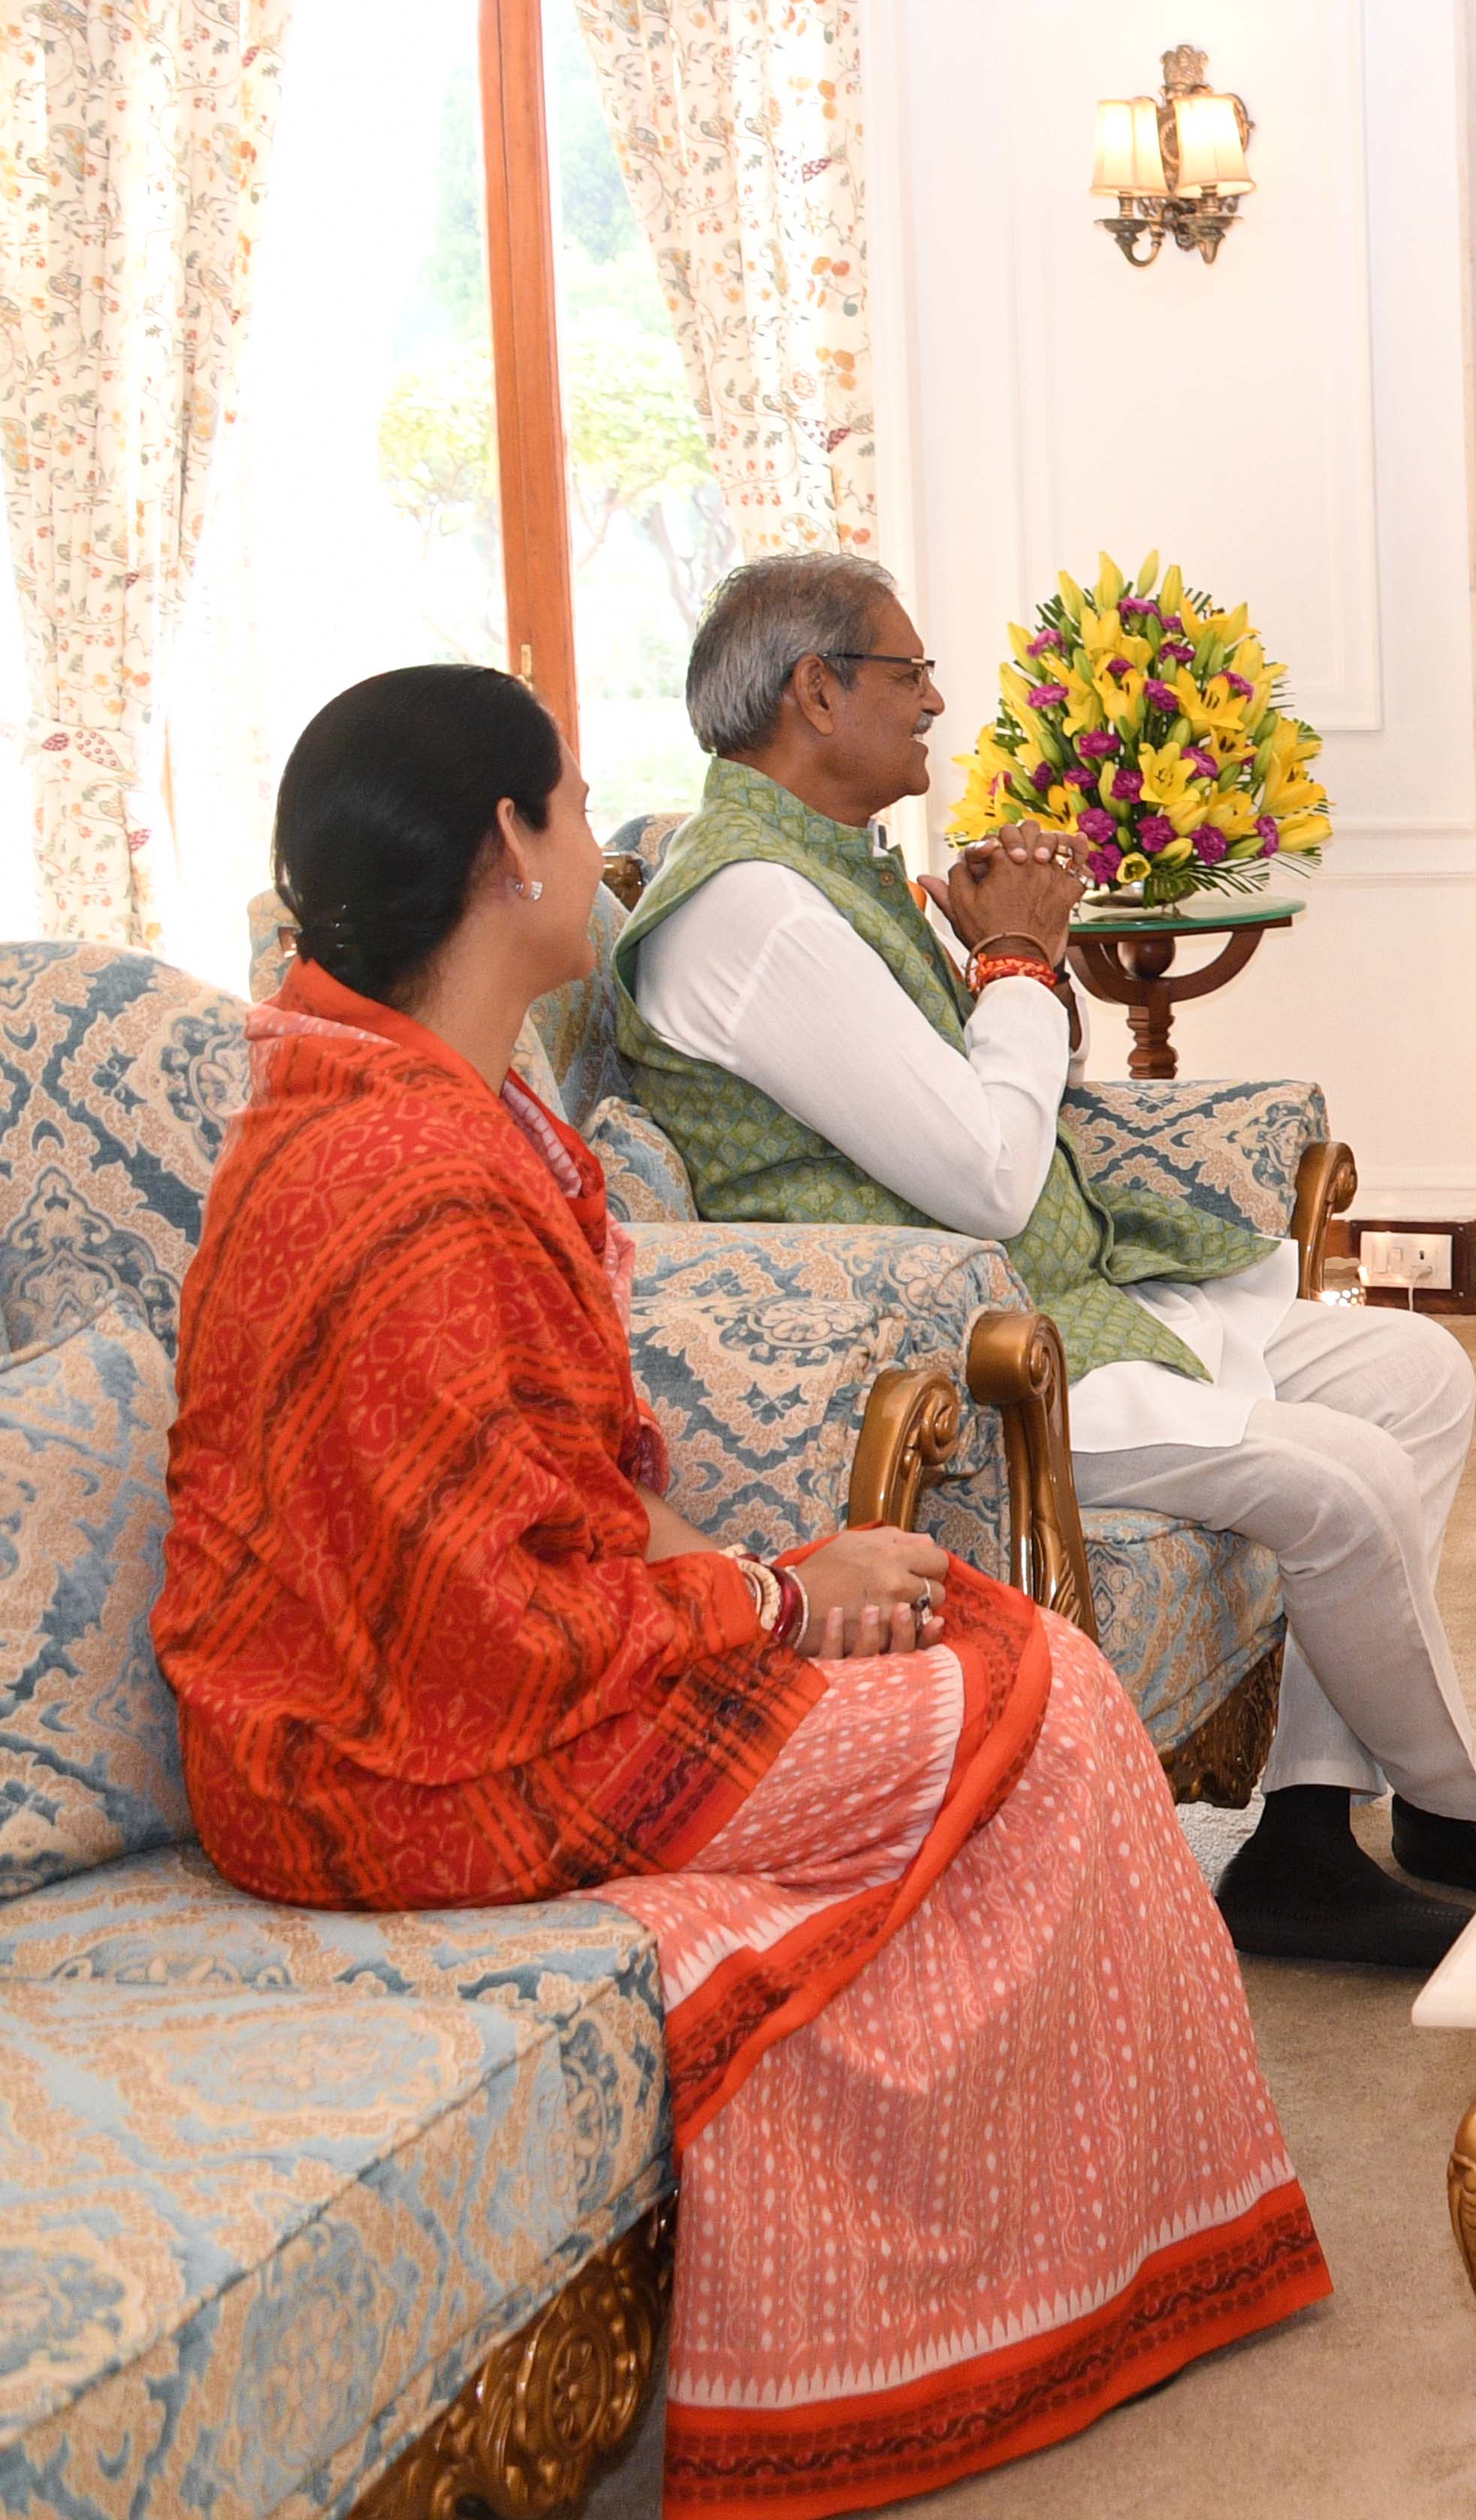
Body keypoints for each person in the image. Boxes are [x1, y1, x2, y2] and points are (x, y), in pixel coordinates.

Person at [153, 665, 1331, 2517]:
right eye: (569, 803)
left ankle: (1015, 2264)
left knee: (973, 1628)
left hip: (454, 1705)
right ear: (504, 846)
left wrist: (762, 1581)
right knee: (1045, 1706)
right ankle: (949, 2324)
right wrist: (775, 1600)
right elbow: (493, 1637)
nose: (594, 838)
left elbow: (549, 1508)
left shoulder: (409, 1095)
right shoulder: (399, 1169)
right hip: (404, 1772)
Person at [611, 551, 1476, 1971]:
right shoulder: (754, 914)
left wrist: (1011, 960)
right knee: (1342, 1482)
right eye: (910, 672)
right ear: (816, 691)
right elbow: (984, 1176)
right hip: (951, 1355)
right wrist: (1021, 964)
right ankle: (1455, 1809)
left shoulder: (825, 871)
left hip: (1056, 1301)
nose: (934, 701)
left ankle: (1305, 1834)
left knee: (1412, 1374)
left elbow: (1010, 1104)